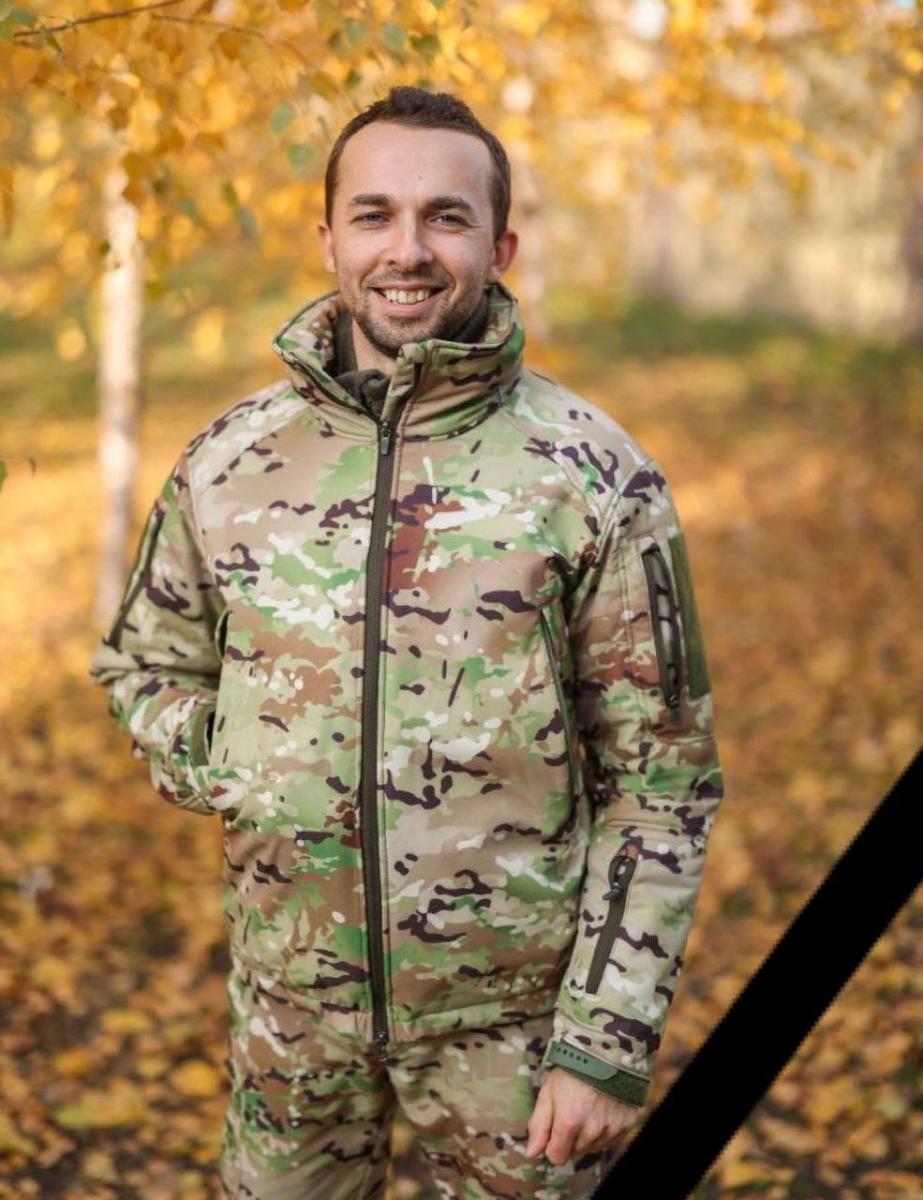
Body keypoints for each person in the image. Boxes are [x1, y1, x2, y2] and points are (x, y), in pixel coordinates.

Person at [89, 85, 724, 1200]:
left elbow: (660, 787)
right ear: (327, 238)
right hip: (288, 1022)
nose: (408, 250)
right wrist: (228, 757)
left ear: (499, 245)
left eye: (446, 217)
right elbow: (143, 662)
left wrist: (603, 1044)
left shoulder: (593, 476)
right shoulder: (226, 463)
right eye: (374, 214)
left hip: (515, 1042)